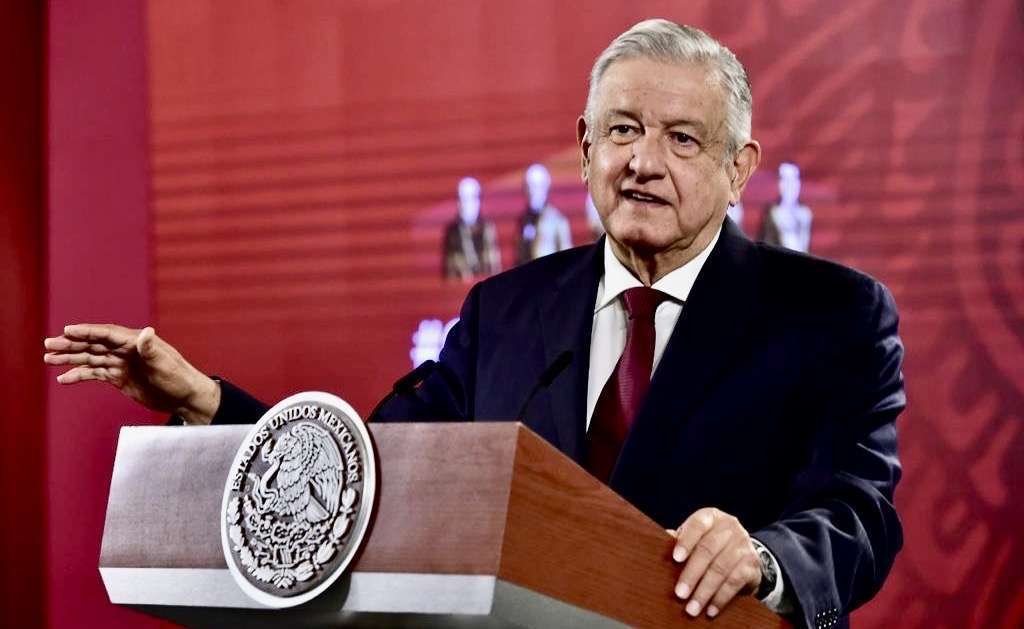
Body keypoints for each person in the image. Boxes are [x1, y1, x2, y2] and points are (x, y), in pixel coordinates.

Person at [43, 19, 903, 628]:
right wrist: (206, 400)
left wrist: (764, 557)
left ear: (739, 168)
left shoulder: (830, 313)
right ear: (585, 148)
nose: (643, 162)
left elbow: (860, 515)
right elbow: (375, 471)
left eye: (682, 139)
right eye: (623, 130)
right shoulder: (507, 310)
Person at [442, 176, 501, 280]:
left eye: (470, 199)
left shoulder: (487, 228)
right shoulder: (453, 232)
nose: (465, 204)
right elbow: (450, 268)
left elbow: (493, 264)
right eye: (461, 199)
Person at [516, 163, 573, 263]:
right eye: (528, 186)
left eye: (536, 187)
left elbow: (567, 256)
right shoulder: (523, 220)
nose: (532, 192)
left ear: (546, 187)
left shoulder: (557, 220)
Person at [760, 162, 813, 252]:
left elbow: (805, 248)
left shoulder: (805, 214)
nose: (789, 185)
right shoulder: (772, 214)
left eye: (793, 179)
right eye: (784, 179)